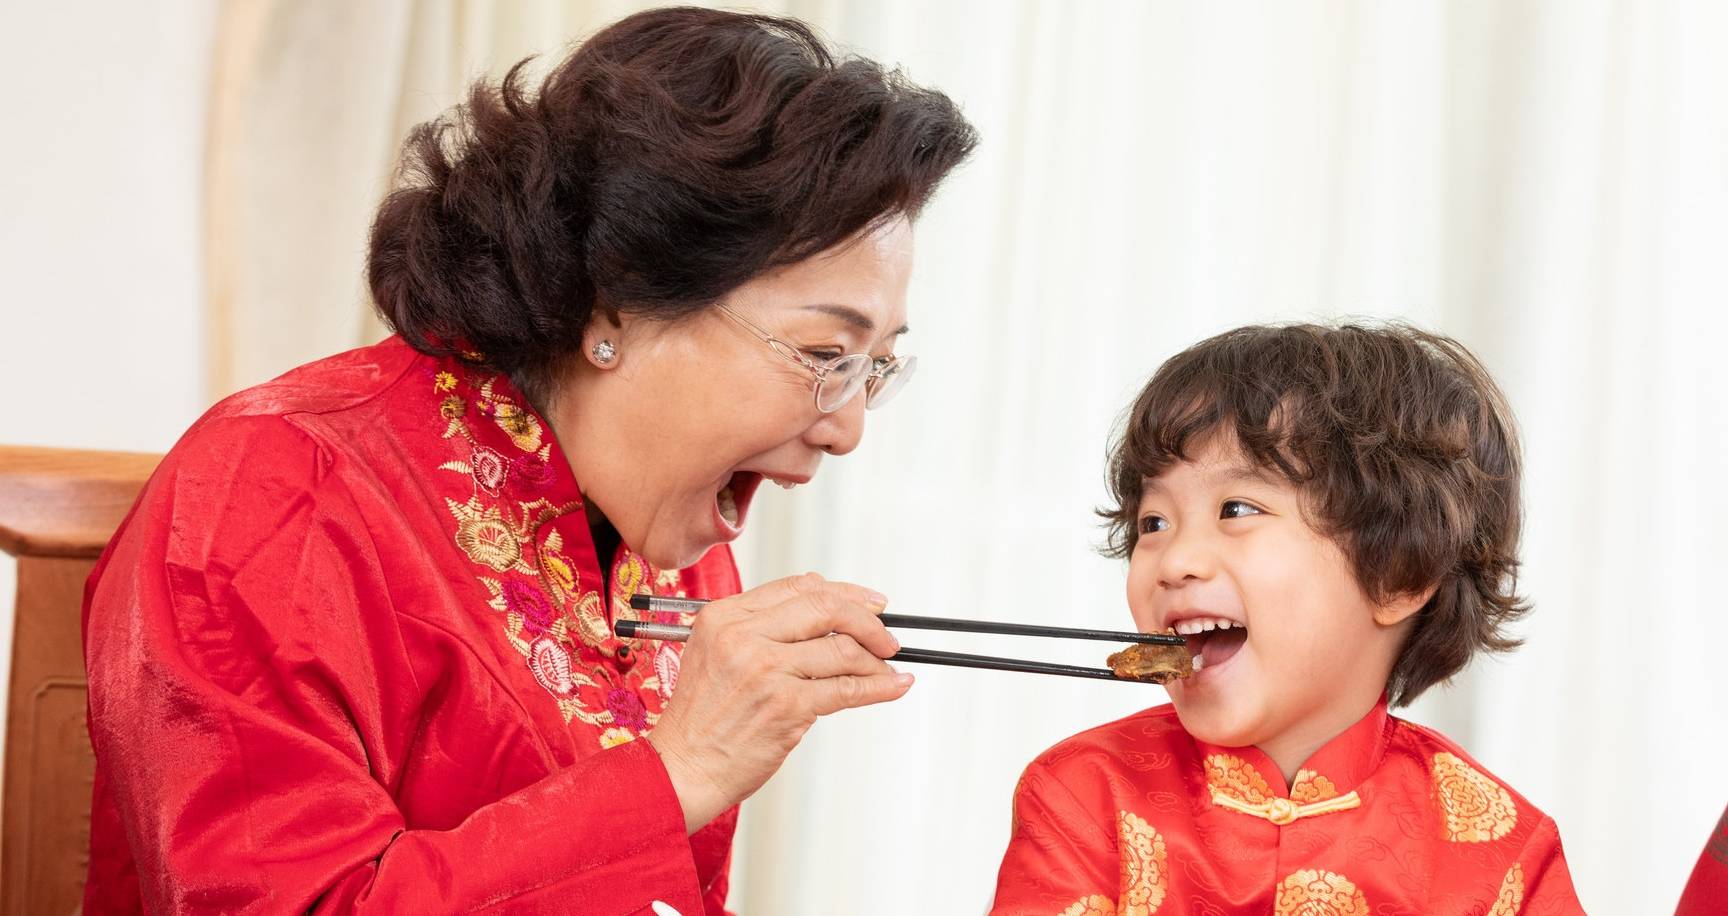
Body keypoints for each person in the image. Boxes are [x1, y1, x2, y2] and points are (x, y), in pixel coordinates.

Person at [81, 8, 975, 914]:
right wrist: (681, 772)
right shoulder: (271, 497)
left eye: (877, 367)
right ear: (619, 303)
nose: (849, 428)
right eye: (826, 357)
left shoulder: (675, 541)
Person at [991, 323, 1585, 914]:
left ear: (1398, 576)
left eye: (1237, 509)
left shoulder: (1505, 849)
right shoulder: (1083, 792)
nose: (1175, 561)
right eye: (1153, 523)